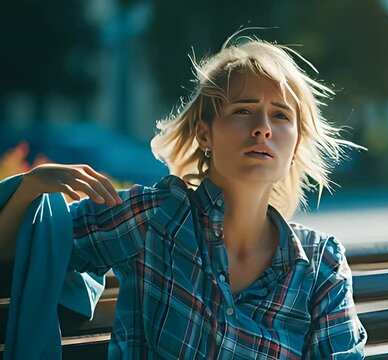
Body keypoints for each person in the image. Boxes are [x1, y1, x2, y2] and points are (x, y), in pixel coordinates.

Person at [0, 32, 367, 359]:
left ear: (296, 142)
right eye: (243, 110)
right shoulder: (153, 219)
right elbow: (19, 249)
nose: (263, 129)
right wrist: (31, 186)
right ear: (205, 135)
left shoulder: (320, 264)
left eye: (281, 116)